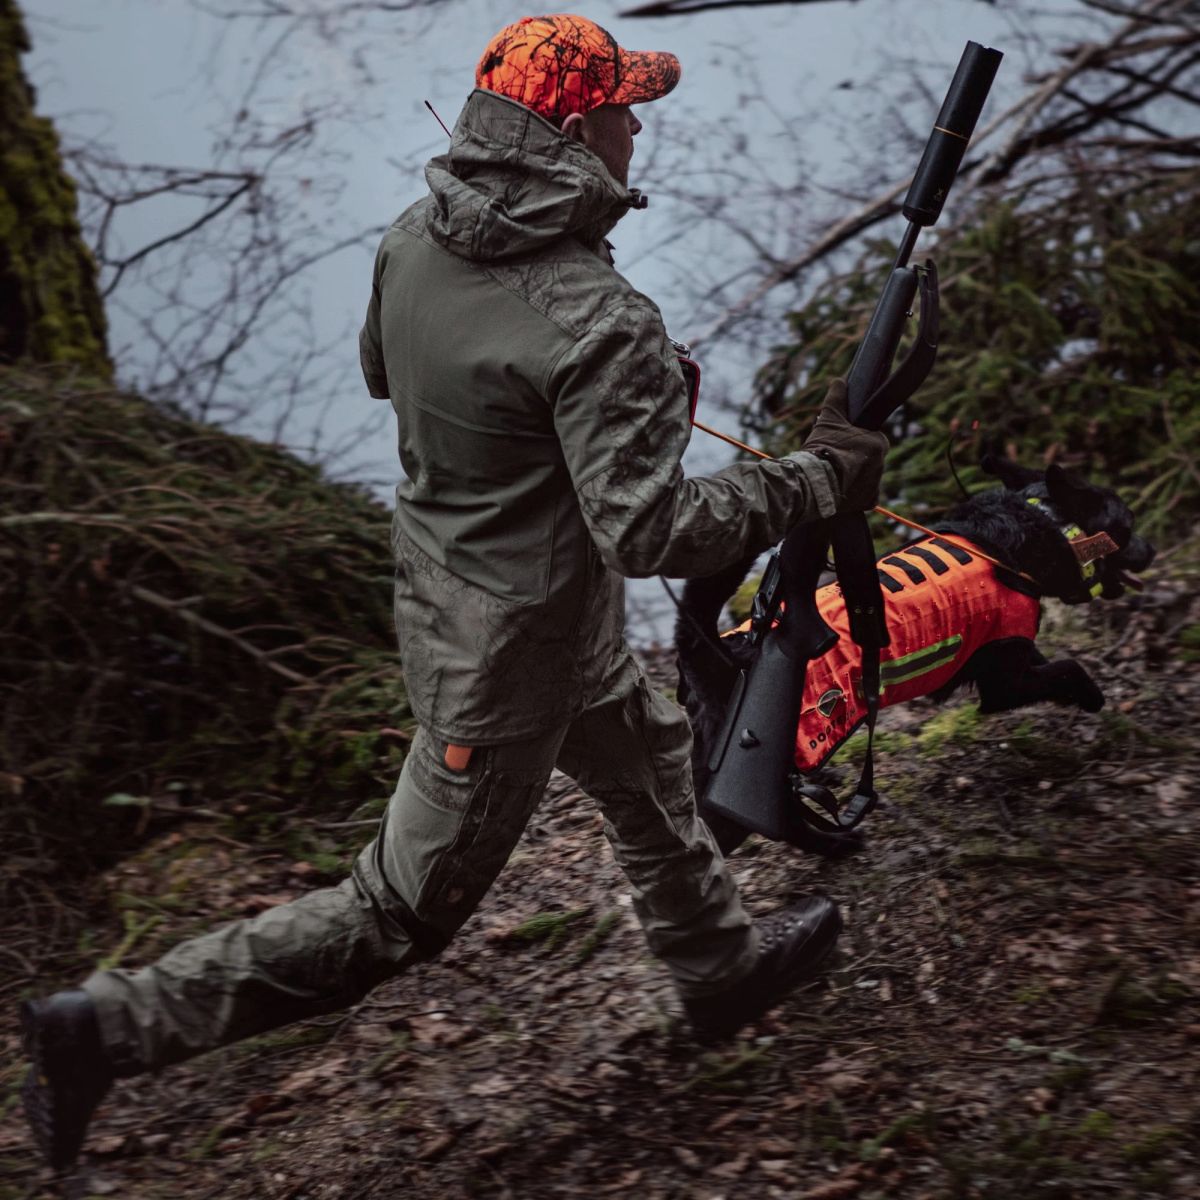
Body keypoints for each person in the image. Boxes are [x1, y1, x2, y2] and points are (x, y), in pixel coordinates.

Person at [21, 13, 888, 1172]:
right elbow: (652, 532)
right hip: (504, 665)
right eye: (628, 107)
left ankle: (717, 971)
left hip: (480, 599)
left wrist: (564, 427)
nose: (640, 125)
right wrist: (814, 478)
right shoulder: (601, 319)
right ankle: (104, 1030)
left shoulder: (412, 236)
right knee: (396, 915)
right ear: (579, 130)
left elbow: (388, 373)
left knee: (645, 755)